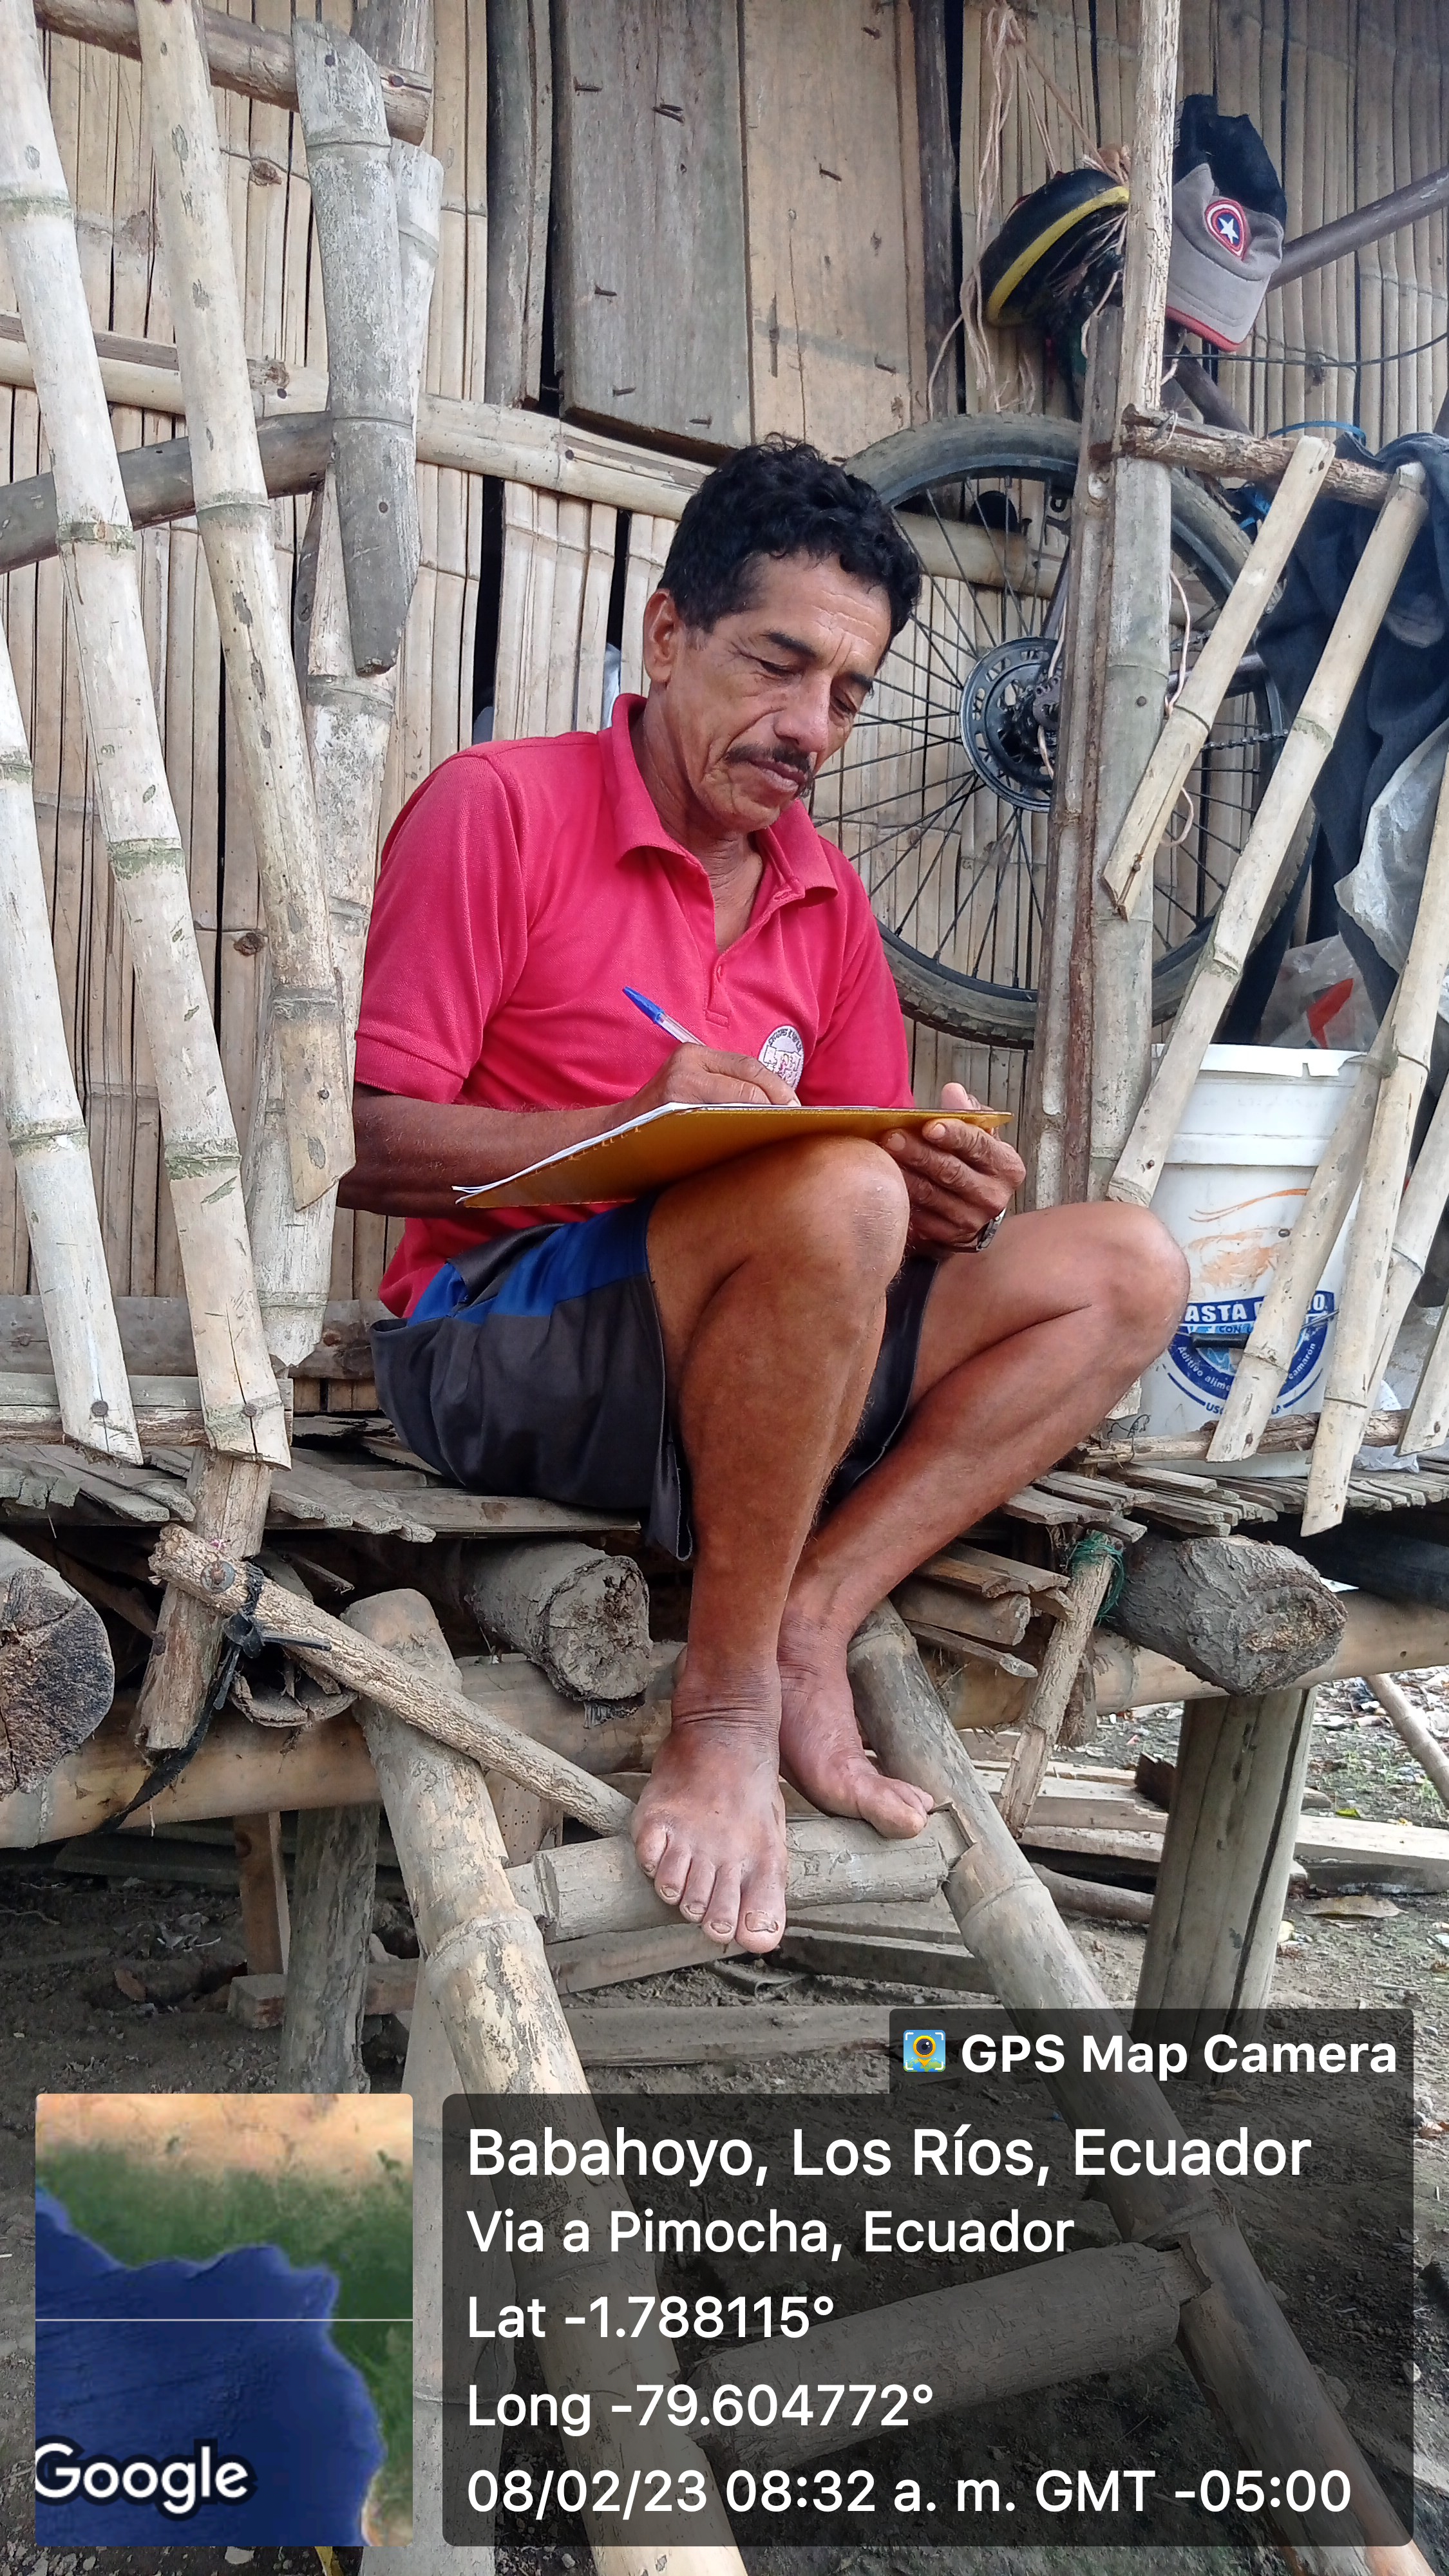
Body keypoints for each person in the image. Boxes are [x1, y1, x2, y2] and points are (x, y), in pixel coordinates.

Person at [345, 437, 1188, 1955]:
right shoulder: (499, 808)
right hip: (499, 1340)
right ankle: (723, 1707)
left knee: (1127, 1266)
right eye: (779, 664)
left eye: (849, 693)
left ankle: (813, 1614)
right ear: (670, 635)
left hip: (759, 1347)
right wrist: (632, 1125)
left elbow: (864, 1186)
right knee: (831, 1195)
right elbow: (359, 1144)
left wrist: (950, 1196)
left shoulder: (825, 893)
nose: (811, 726)